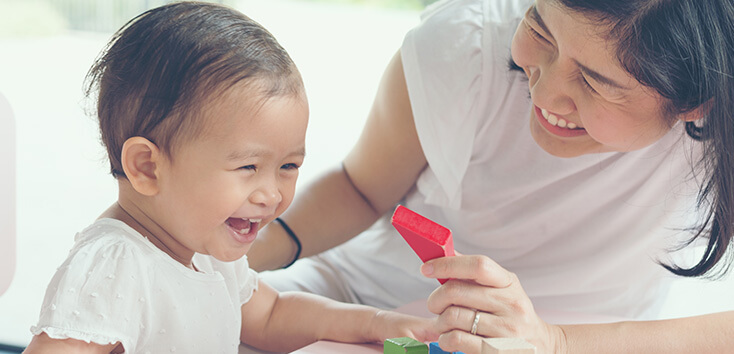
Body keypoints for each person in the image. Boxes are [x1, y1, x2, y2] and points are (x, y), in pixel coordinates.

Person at [248, 0, 734, 352]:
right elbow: (360, 189)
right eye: (541, 32)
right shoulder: (465, 47)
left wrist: (555, 342)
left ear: (696, 103)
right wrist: (238, 249)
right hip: (365, 301)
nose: (544, 92)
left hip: (588, 339)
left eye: (593, 82)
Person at [23, 2, 440, 353]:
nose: (272, 194)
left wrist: (377, 323)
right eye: (248, 168)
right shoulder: (115, 266)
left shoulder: (203, 245)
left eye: (289, 167)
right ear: (147, 167)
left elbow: (273, 315)